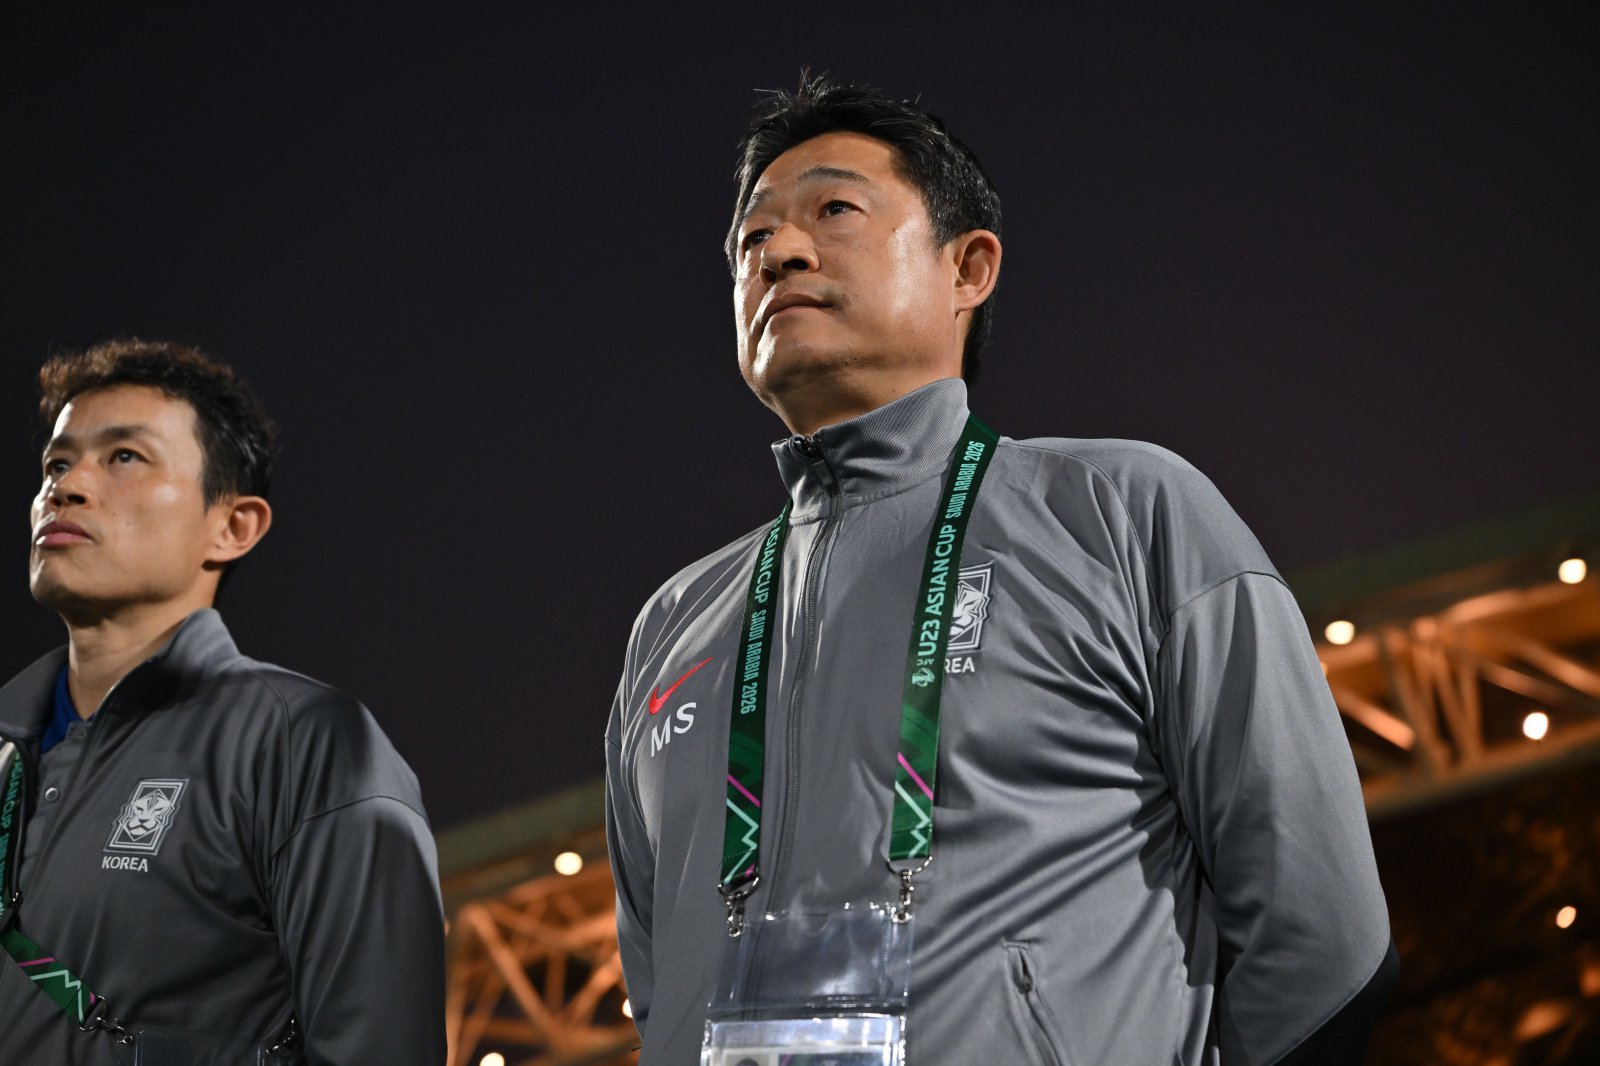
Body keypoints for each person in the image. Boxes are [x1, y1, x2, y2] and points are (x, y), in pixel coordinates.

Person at [605, 76, 1397, 1065]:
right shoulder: (673, 626)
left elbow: (1322, 940)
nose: (780, 252)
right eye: (750, 240)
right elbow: (657, 989)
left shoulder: (1122, 514)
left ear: (968, 267)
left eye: (834, 210)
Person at [0, 340, 446, 1064]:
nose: (68, 486)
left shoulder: (303, 743)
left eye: (124, 457)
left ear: (232, 526)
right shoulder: (8, 751)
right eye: (56, 464)